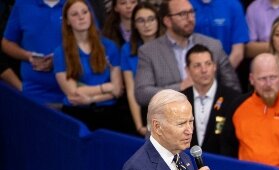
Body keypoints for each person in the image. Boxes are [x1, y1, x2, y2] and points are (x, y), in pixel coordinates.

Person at [134, 0, 240, 106]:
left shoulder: (213, 45)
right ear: (167, 21)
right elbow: (142, 95)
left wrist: (218, 108)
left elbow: (232, 88)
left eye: (191, 12)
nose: (190, 19)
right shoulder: (149, 51)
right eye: (183, 14)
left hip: (212, 116)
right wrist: (180, 87)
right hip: (171, 118)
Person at [53, 0, 127, 132]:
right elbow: (73, 92)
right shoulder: (60, 53)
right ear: (67, 21)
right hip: (76, 113)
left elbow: (117, 90)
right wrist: (106, 87)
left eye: (85, 12)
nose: (81, 17)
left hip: (109, 112)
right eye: (74, 14)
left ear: (91, 15)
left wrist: (90, 99)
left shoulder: (110, 47)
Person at [1, 0, 66, 104]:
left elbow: (95, 44)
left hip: (73, 96)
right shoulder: (22, 4)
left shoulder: (79, 4)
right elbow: (7, 43)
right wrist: (27, 56)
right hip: (32, 96)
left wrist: (59, 59)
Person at [181, 44, 239, 155]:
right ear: (187, 70)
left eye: (208, 64)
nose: (204, 70)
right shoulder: (180, 99)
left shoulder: (233, 98)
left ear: (215, 66)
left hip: (222, 165)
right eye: (197, 65)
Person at [122, 1, 161, 137]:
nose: (147, 25)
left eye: (151, 19)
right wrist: (139, 125)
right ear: (134, 25)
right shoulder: (127, 49)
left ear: (158, 21)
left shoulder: (168, 45)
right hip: (142, 108)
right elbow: (131, 90)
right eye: (141, 20)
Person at [190, 0, 249, 69]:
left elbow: (237, 53)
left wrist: (219, 76)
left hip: (225, 70)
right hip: (191, 71)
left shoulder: (233, 4)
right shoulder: (185, 3)